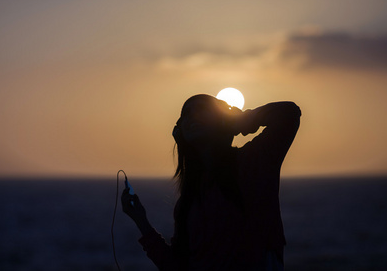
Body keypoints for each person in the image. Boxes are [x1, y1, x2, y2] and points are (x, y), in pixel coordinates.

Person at [122, 94, 301, 270]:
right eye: (187, 113)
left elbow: (288, 114)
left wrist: (238, 120)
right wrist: (141, 220)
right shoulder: (187, 202)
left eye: (202, 109)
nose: (193, 116)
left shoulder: (253, 163)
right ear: (179, 131)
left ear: (222, 119)